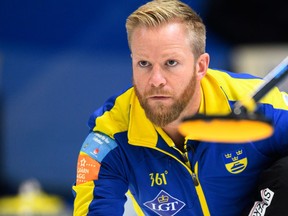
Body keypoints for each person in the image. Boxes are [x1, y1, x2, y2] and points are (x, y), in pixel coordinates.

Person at [72, 0, 288, 215]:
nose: (156, 80)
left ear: (200, 66)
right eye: (144, 63)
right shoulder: (110, 137)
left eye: (171, 63)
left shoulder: (262, 106)